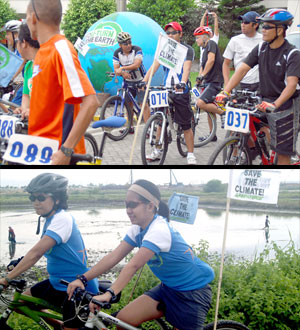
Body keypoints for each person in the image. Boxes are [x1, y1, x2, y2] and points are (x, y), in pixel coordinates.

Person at [67, 179, 214, 330]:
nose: (128, 210)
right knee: (123, 321)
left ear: (150, 206)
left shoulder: (159, 230)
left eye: (133, 205)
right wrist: (83, 279)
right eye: (126, 205)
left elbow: (134, 265)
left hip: (193, 292)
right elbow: (113, 257)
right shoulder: (137, 229)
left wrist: (109, 294)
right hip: (168, 288)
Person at [0, 173, 98, 330]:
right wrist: (20, 261)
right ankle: (59, 326)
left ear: (57, 199)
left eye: (41, 198)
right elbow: (42, 248)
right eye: (33, 198)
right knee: (19, 303)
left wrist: (6, 279)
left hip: (77, 288)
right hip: (57, 283)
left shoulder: (62, 219)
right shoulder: (51, 220)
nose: (36, 203)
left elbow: (36, 254)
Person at [216, 8, 300, 165]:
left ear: (280, 30)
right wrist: (225, 91)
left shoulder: (292, 53)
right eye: (262, 26)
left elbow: (292, 84)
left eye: (267, 27)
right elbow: (242, 69)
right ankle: (259, 152)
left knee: (283, 154)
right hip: (264, 99)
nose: (263, 30)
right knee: (251, 121)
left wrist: (275, 104)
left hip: (286, 105)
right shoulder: (261, 48)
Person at [26, 0, 99, 165]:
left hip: (57, 156)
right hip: (38, 151)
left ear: (33, 18)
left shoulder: (61, 48)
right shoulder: (42, 52)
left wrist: (66, 150)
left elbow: (91, 102)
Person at [143, 22, 197, 165]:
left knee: (185, 125)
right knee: (160, 121)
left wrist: (183, 83)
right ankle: (157, 150)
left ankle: (190, 154)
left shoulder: (187, 50)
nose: (170, 35)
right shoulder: (165, 48)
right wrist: (144, 81)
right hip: (166, 88)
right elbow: (155, 65)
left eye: (174, 32)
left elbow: (186, 69)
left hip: (180, 89)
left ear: (180, 34)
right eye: (168, 33)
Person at [113, 31, 151, 132]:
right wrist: (122, 73)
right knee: (128, 104)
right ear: (120, 45)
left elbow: (137, 64)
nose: (129, 45)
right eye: (125, 44)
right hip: (128, 82)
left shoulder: (137, 49)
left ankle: (148, 129)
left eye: (130, 42)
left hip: (140, 80)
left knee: (143, 104)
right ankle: (130, 127)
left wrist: (123, 68)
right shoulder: (117, 53)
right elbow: (116, 70)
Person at [194, 26, 225, 141]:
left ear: (204, 37)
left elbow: (211, 60)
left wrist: (202, 75)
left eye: (197, 38)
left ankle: (222, 112)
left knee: (200, 103)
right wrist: (199, 79)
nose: (196, 40)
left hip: (215, 81)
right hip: (208, 81)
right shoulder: (203, 51)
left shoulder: (211, 43)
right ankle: (212, 135)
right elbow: (202, 67)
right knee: (208, 110)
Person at [222, 11, 262, 91]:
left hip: (260, 84)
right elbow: (226, 63)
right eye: (242, 22)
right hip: (240, 83)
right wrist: (227, 84)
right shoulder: (235, 40)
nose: (242, 25)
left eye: (246, 22)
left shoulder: (264, 40)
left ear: (255, 25)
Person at [12, 23, 40, 119]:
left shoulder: (48, 63)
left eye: (17, 41)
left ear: (23, 43)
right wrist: (23, 110)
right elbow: (26, 95)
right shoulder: (29, 66)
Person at [0, 20, 26, 106]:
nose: (6, 37)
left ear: (16, 34)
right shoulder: (16, 49)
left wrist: (9, 79)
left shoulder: (22, 46)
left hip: (29, 84)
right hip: (26, 82)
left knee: (13, 108)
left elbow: (21, 63)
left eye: (7, 34)